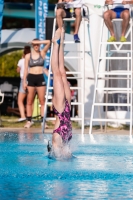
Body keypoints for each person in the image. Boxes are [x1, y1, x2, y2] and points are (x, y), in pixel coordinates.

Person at [47, 28, 72, 159]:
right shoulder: (63, 142)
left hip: (61, 112)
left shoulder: (56, 140)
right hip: (67, 114)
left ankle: (55, 44)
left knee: (57, 73)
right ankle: (60, 43)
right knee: (62, 72)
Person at [23, 38, 50, 128]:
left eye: (37, 44)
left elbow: (49, 42)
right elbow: (26, 69)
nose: (36, 46)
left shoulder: (42, 53)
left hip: (40, 77)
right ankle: (29, 120)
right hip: (31, 78)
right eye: (34, 45)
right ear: (32, 46)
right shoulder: (28, 56)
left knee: (42, 101)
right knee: (29, 101)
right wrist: (24, 81)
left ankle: (43, 121)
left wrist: (38, 42)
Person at [17, 46, 31, 122]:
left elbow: (18, 70)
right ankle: (30, 117)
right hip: (31, 80)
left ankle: (23, 116)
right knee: (29, 100)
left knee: (20, 100)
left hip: (23, 80)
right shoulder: (32, 60)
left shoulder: (21, 60)